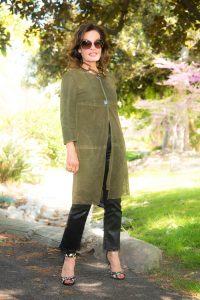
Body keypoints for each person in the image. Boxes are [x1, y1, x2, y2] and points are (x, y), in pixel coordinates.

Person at [59, 22, 130, 286]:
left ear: (102, 47)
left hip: (115, 146)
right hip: (87, 150)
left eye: (97, 43)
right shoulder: (71, 77)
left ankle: (113, 254)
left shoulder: (108, 77)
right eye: (86, 43)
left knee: (114, 203)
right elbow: (66, 116)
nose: (92, 48)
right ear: (78, 48)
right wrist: (71, 149)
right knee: (81, 203)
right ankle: (69, 256)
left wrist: (119, 146)